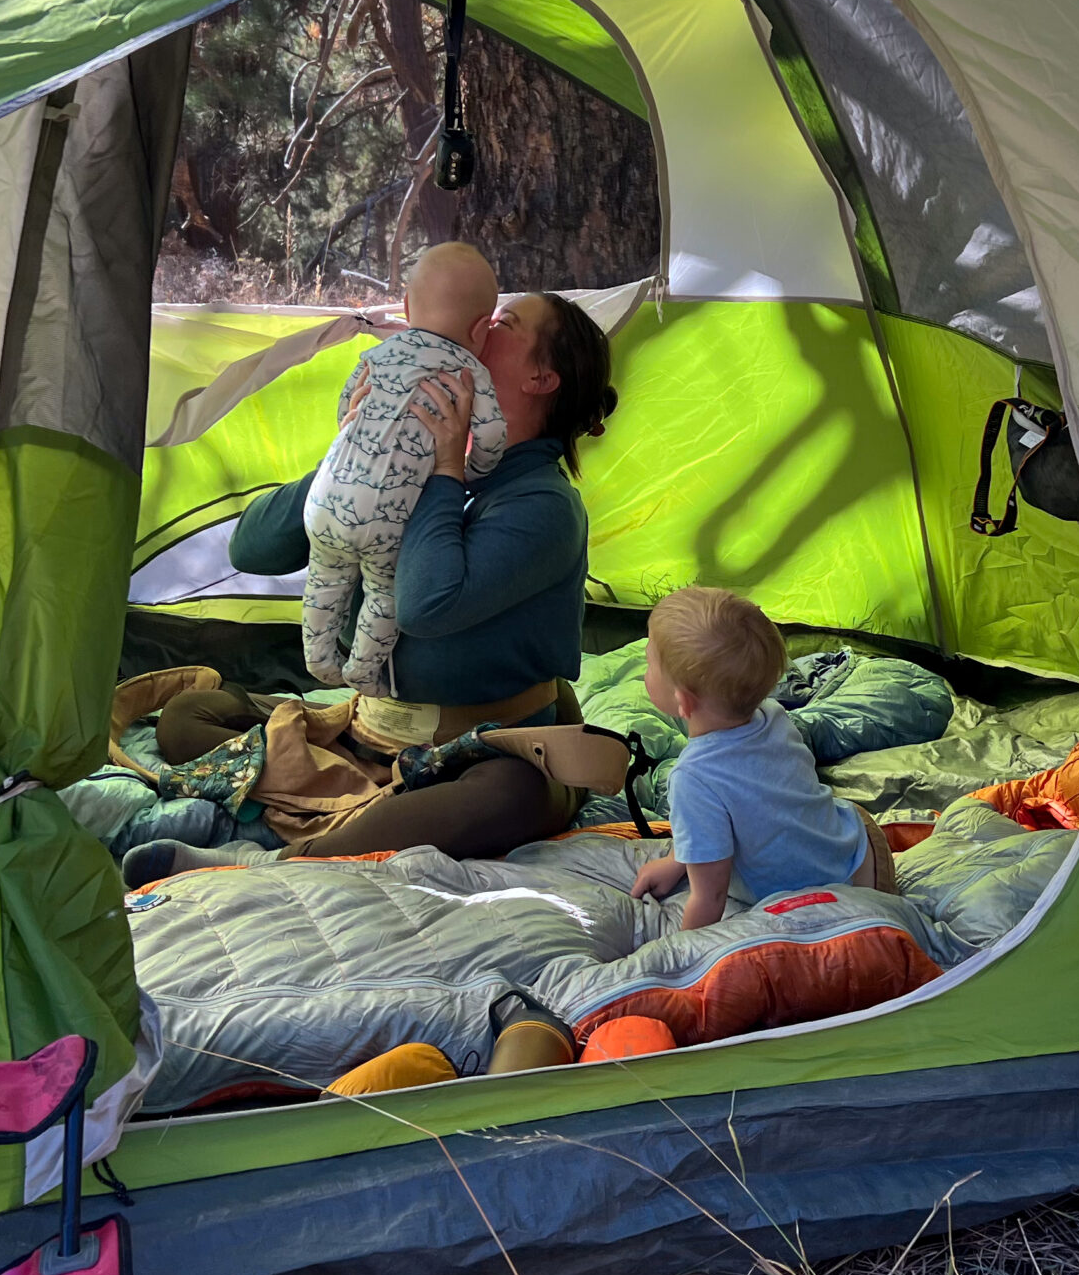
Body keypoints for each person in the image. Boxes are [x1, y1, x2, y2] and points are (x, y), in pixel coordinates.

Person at [131, 288, 621, 871]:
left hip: (479, 751)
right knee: (189, 717)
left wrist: (444, 473)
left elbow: (425, 606)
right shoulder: (396, 466)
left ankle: (277, 861)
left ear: (542, 376)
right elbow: (253, 547)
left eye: (505, 322)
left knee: (512, 796)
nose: (478, 325)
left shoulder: (543, 504)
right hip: (367, 732)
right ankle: (360, 807)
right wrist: (353, 450)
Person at [301, 243, 508, 695]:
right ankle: (361, 669)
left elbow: (345, 412)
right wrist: (470, 472)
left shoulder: (379, 354)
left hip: (325, 499)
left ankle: (318, 659)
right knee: (383, 593)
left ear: (409, 307)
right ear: (481, 329)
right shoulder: (469, 371)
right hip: (385, 522)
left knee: (326, 574)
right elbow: (492, 437)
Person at [629, 587, 894, 929]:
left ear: (683, 702)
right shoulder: (772, 714)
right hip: (863, 850)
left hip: (836, 906)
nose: (643, 671)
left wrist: (677, 956)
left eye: (649, 662)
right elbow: (749, 808)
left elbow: (709, 898)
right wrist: (678, 861)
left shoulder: (692, 778)